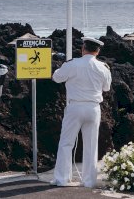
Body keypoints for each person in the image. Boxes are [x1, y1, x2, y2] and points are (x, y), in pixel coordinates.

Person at [50, 37, 111, 188]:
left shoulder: (73, 64)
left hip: (75, 106)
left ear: (83, 48)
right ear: (97, 51)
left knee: (66, 143)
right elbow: (106, 88)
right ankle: (89, 181)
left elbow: (56, 78)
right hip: (93, 108)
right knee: (91, 145)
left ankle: (62, 179)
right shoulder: (103, 67)